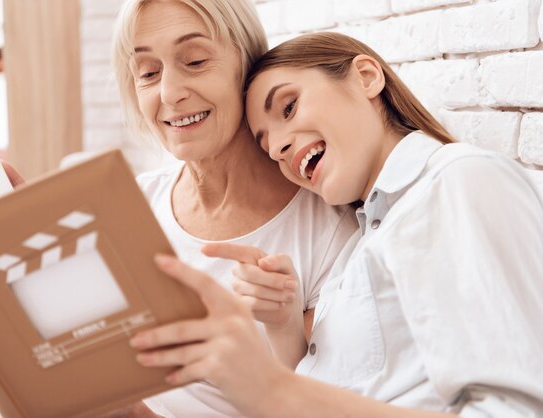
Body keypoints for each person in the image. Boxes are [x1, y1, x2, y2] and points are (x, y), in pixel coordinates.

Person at [129, 32, 543, 417]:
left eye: (288, 107)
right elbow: (340, 384)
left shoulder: (457, 181)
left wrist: (270, 388)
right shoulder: (365, 236)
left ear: (365, 77)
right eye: (266, 143)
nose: (278, 146)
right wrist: (285, 324)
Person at [111, 2, 357, 417]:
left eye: (194, 61)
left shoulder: (329, 224)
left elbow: (317, 402)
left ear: (248, 66)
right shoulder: (133, 205)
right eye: (148, 73)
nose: (169, 93)